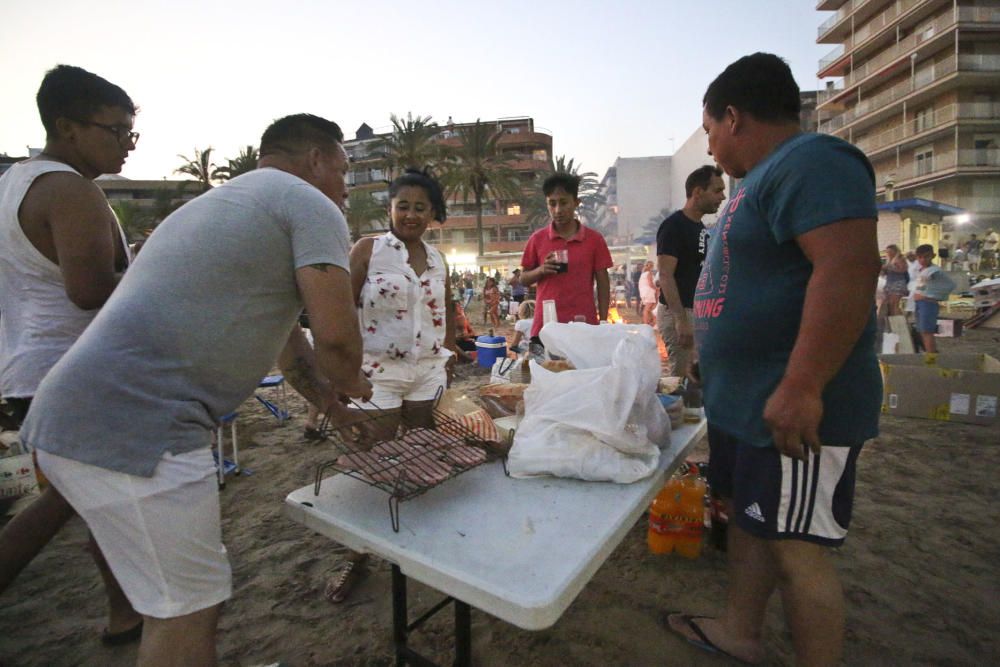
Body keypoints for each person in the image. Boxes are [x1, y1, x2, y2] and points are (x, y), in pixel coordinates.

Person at [20, 113, 372, 665]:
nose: (346, 186)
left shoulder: (226, 204)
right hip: (141, 428)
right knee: (184, 612)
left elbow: (290, 342)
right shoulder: (310, 203)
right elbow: (337, 339)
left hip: (72, 416)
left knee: (175, 601)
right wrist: (357, 386)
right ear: (317, 160)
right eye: (344, 170)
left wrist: (330, 403)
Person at [668, 53, 882, 667]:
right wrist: (714, 355)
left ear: (733, 116)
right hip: (748, 403)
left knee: (796, 545)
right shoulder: (755, 182)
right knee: (751, 521)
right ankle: (741, 630)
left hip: (793, 408)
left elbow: (846, 268)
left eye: (709, 130)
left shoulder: (813, 161)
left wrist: (803, 383)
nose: (710, 146)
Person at [0, 64, 142, 644]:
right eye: (116, 131)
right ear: (67, 126)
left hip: (31, 371)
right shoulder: (69, 188)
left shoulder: (15, 182)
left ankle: (125, 612)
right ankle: (130, 610)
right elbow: (88, 291)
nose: (127, 144)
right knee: (71, 502)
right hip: (74, 372)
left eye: (132, 132)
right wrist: (154, 272)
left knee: (93, 499)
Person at [325, 168, 458, 603]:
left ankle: (417, 543)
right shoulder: (368, 250)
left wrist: (449, 355)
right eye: (404, 205)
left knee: (422, 458)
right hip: (376, 377)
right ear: (391, 208)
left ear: (432, 213)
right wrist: (346, 370)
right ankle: (355, 556)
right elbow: (340, 309)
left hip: (427, 374)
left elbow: (447, 309)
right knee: (370, 466)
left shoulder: (438, 259)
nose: (411, 214)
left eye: (421, 207)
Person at [519, 172, 613, 340]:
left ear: (576, 202)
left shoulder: (594, 240)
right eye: (552, 204)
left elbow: (603, 283)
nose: (558, 210)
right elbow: (523, 278)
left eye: (563, 203)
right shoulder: (537, 239)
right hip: (546, 326)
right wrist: (541, 270)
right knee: (545, 366)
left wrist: (604, 321)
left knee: (583, 366)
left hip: (583, 325)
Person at [656, 165, 726, 378]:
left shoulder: (700, 228)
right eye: (717, 190)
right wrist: (680, 320)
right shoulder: (674, 226)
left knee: (697, 380)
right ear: (697, 192)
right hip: (680, 312)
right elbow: (666, 275)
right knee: (681, 380)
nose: (722, 196)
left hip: (697, 312)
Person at [912, 244, 956, 353]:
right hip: (920, 303)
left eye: (926, 256)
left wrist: (930, 296)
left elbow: (950, 285)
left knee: (927, 331)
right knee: (922, 330)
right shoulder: (921, 269)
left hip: (928, 304)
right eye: (920, 257)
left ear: (933, 256)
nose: (922, 259)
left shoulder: (934, 271)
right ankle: (930, 353)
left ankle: (931, 356)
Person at [879, 244, 910, 327]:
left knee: (894, 304)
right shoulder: (889, 260)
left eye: (890, 251)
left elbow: (902, 270)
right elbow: (885, 273)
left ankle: (900, 324)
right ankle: (893, 323)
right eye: (887, 251)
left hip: (898, 283)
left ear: (895, 251)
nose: (888, 253)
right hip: (890, 283)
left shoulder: (900, 258)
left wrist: (889, 267)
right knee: (890, 304)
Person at [638, 260, 658, 326]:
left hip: (644, 292)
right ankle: (646, 323)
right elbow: (650, 284)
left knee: (650, 308)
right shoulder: (649, 273)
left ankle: (651, 321)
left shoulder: (643, 274)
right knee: (647, 309)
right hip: (648, 291)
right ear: (652, 266)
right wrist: (657, 289)